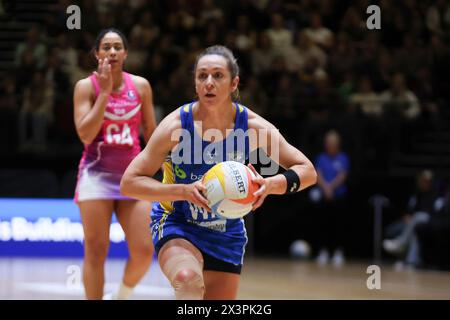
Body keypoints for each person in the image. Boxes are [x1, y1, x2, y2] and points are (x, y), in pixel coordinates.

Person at [120, 45, 317, 300]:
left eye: (217, 75)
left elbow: (308, 171)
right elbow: (129, 182)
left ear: (234, 83)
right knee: (187, 281)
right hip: (176, 222)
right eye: (202, 76)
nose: (209, 83)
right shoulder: (176, 125)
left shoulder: (253, 127)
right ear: (195, 83)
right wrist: (183, 191)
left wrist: (270, 185)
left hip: (227, 232)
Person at [73, 28, 157, 300]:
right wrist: (105, 93)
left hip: (131, 176)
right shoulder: (86, 87)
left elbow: (152, 134)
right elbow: (85, 134)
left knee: (145, 251)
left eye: (117, 47)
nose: (112, 52)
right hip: (96, 175)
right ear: (96, 54)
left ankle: (122, 295)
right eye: (106, 47)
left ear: (126, 53)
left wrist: (156, 169)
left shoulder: (141, 86)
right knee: (96, 250)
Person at [310, 130, 350, 267]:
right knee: (322, 224)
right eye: (328, 142)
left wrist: (331, 187)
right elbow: (318, 173)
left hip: (338, 197)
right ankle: (323, 252)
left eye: (332, 142)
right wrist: (326, 188)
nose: (330, 145)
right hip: (324, 197)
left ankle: (338, 252)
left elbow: (343, 175)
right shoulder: (321, 158)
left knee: (338, 225)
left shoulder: (343, 158)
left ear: (337, 144)